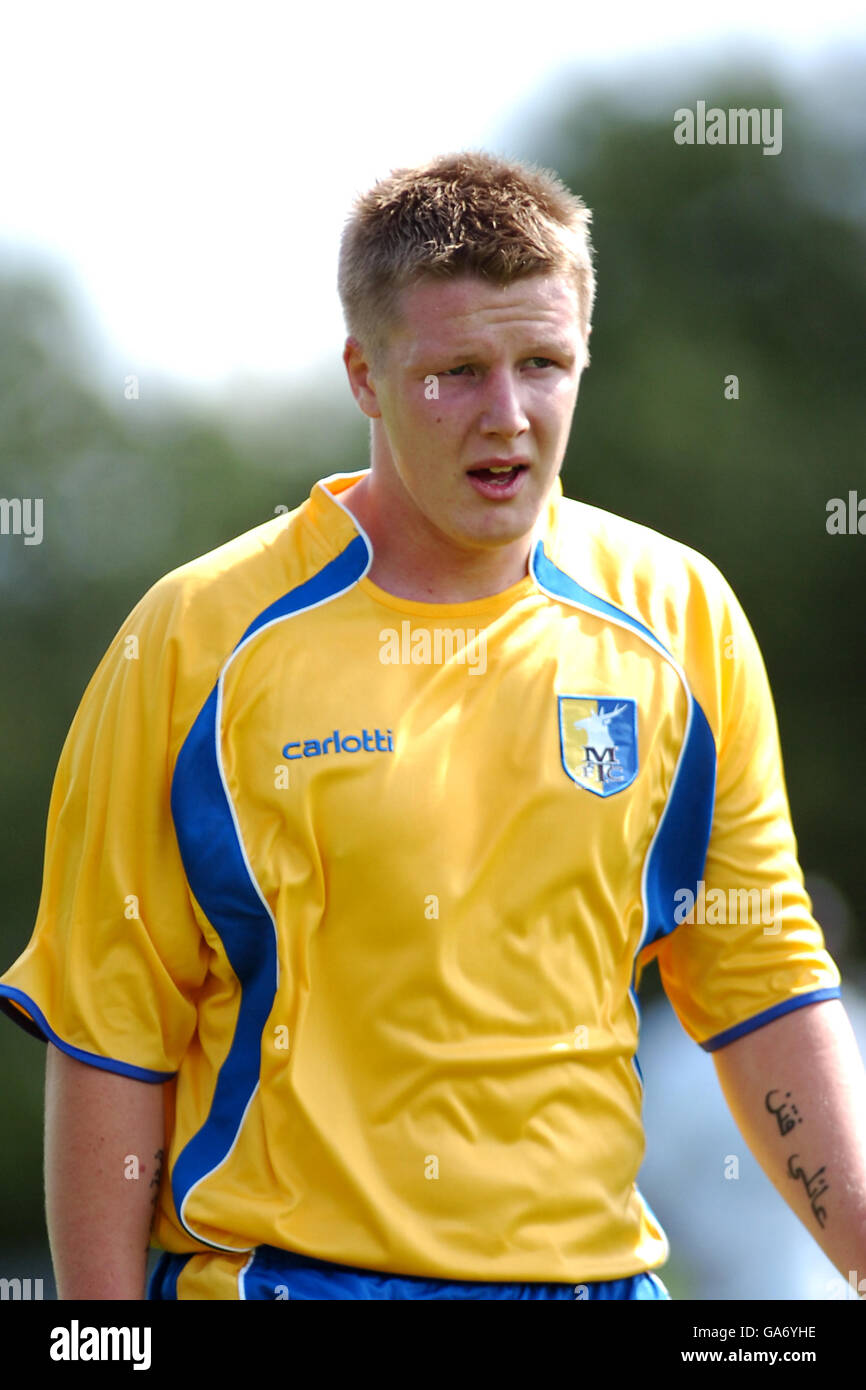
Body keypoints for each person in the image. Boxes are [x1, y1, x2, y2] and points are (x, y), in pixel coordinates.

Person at [2, 150, 864, 1302]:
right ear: (363, 373)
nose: (506, 417)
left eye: (542, 364)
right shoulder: (195, 641)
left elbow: (756, 975)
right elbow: (112, 1025)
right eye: (454, 372)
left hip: (597, 1284)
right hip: (289, 1283)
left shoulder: (681, 617)